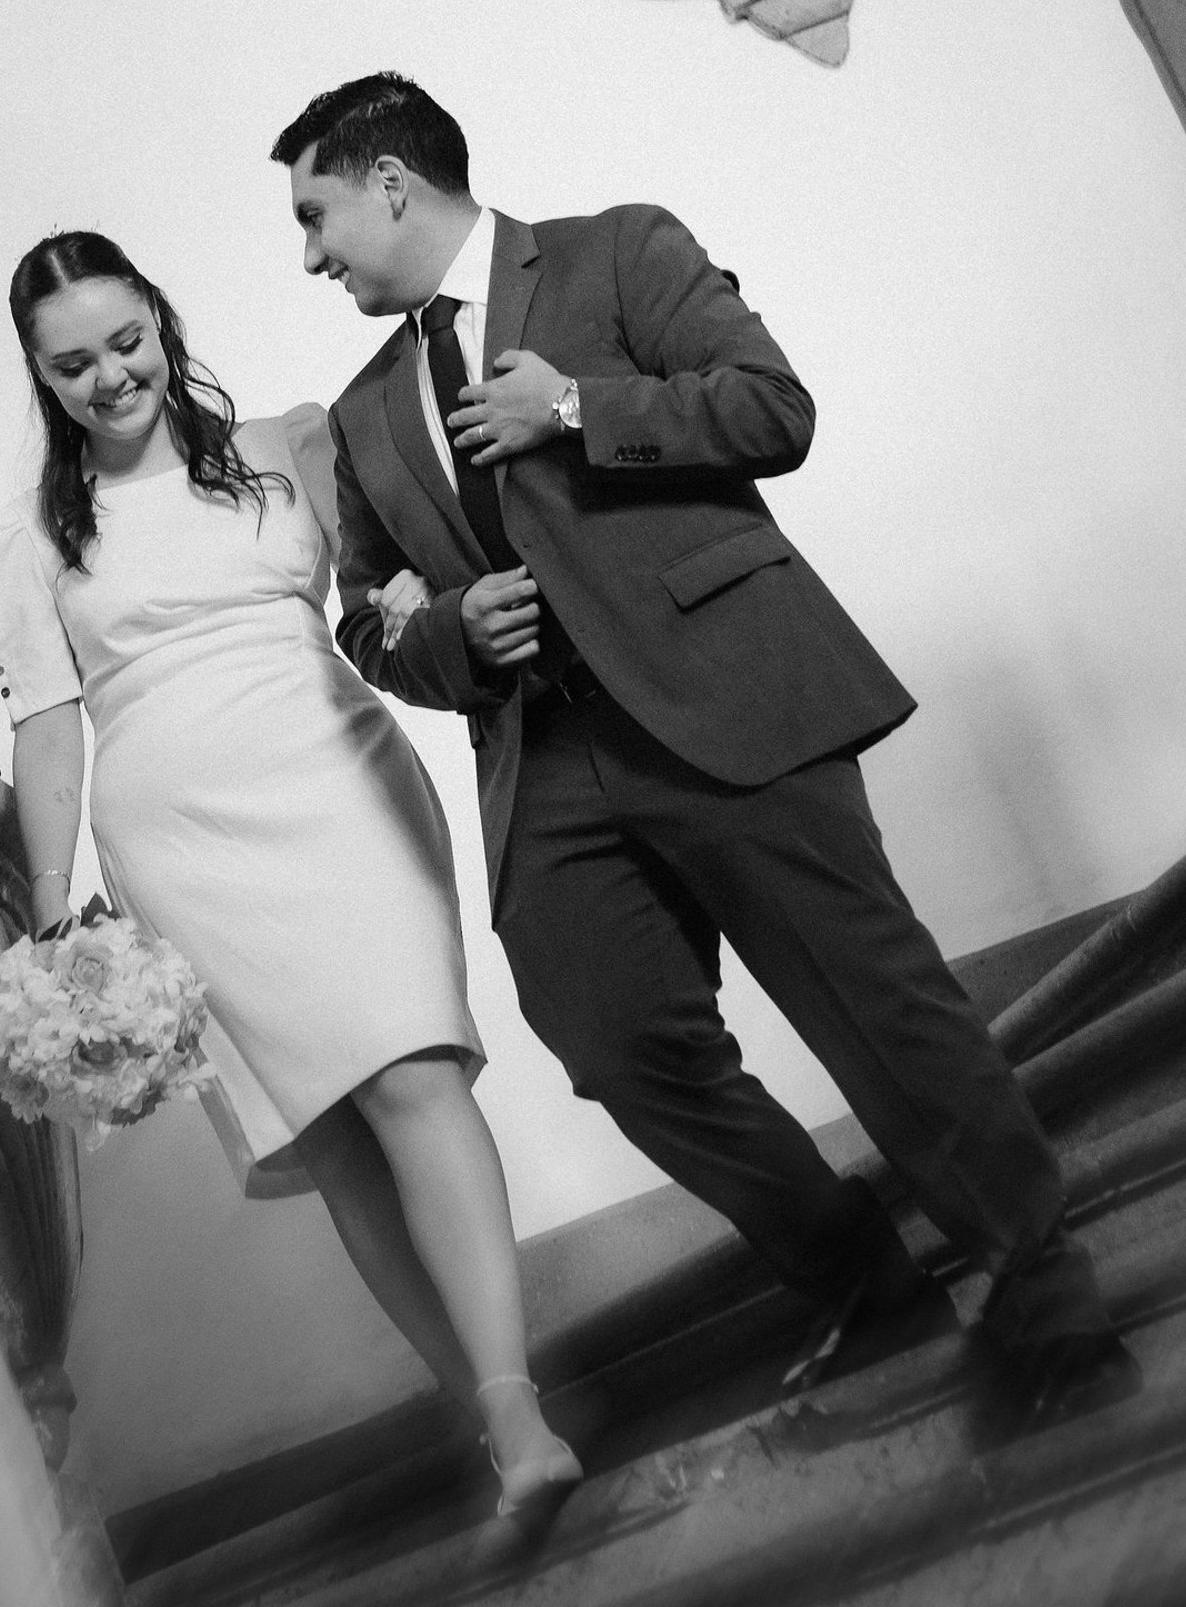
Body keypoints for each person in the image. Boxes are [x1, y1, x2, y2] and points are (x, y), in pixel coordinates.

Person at [270, 72, 1137, 1425]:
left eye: (315, 215)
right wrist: (450, 630)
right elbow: (368, 624)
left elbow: (773, 409)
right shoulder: (365, 410)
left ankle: (1037, 1276)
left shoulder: (620, 251)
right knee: (614, 1042)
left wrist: (574, 408)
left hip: (724, 697)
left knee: (870, 996)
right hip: (544, 760)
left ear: (389, 183)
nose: (311, 256)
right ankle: (865, 1279)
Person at [0, 231, 581, 1519]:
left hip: (335, 779)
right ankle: (493, 1421)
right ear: (38, 375)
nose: (110, 378)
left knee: (416, 1072)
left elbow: (389, 592)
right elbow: (47, 726)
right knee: (340, 1137)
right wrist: (51, 902)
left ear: (161, 320)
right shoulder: (21, 539)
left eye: (126, 342)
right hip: (180, 840)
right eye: (72, 366)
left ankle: (517, 1404)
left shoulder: (292, 444)